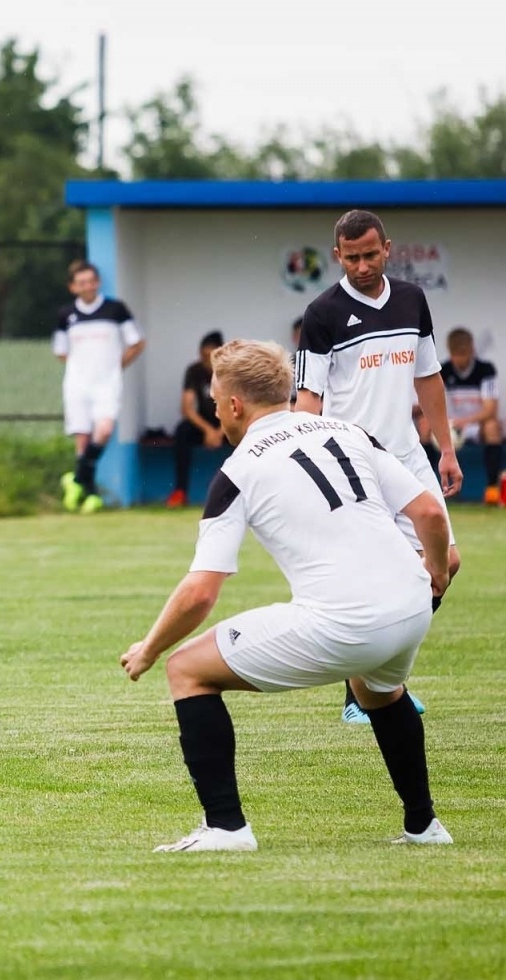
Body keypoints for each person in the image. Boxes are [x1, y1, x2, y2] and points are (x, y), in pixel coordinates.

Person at [121, 340, 453, 852]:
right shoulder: (349, 431)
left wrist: (148, 649)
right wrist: (435, 571)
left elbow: (200, 593)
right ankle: (424, 826)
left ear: (234, 405)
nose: (214, 409)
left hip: (347, 623)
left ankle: (225, 829)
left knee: (185, 668)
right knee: (377, 691)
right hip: (411, 608)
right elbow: (429, 513)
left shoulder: (237, 469)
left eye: (214, 400)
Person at [293, 209, 460, 725]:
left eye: (371, 254)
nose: (362, 265)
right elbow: (308, 398)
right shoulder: (321, 313)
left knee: (445, 565)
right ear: (337, 255)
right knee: (369, 579)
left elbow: (428, 377)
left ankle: (377, 680)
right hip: (353, 464)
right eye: (352, 257)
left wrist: (447, 449)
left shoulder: (413, 300)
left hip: (408, 456)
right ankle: (359, 690)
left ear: (387, 248)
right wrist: (304, 461)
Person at [53, 260, 145, 513]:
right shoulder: (66, 315)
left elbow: (137, 343)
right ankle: (90, 494)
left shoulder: (116, 309)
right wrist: (81, 369)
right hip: (77, 385)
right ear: (73, 287)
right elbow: (61, 351)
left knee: (103, 430)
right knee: (82, 439)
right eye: (81, 282)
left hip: (107, 383)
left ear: (98, 282)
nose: (88, 286)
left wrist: (116, 366)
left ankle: (77, 480)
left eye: (91, 280)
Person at [438, 327, 503, 505]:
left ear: (471, 350)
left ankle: (491, 489)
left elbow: (490, 409)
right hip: (451, 426)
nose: (459, 359)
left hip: (476, 425)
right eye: (455, 354)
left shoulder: (486, 370)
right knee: (424, 427)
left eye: (463, 354)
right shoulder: (442, 371)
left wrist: (464, 422)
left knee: (492, 427)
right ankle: (437, 489)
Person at [167, 330, 228, 508]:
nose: (206, 360)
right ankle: (180, 492)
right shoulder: (194, 371)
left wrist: (220, 431)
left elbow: (239, 405)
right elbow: (186, 407)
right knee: (182, 431)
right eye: (203, 356)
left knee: (249, 435)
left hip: (228, 424)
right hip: (204, 425)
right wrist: (209, 431)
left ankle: (243, 494)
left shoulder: (230, 371)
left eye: (210, 356)